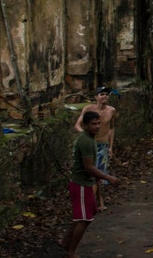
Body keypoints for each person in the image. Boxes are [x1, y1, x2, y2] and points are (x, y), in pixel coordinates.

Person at [62, 110, 119, 257]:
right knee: (84, 218)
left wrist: (97, 178)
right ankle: (72, 251)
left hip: (86, 182)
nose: (97, 126)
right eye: (94, 124)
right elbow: (89, 167)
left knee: (87, 214)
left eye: (99, 123)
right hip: (80, 183)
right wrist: (107, 177)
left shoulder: (90, 138)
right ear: (86, 125)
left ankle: (66, 241)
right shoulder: (86, 141)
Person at [74, 86, 118, 210]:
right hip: (90, 145)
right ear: (96, 97)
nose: (105, 96)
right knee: (92, 173)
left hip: (102, 145)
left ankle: (94, 202)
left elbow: (111, 128)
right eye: (102, 94)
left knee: (99, 174)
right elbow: (78, 125)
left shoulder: (111, 111)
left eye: (107, 94)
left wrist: (110, 146)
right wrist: (86, 137)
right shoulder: (88, 109)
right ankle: (94, 202)